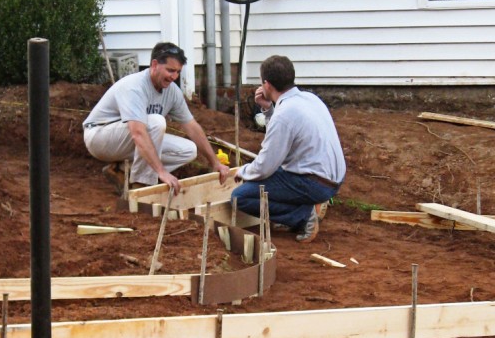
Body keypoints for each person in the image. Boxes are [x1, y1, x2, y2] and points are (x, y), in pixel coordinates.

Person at [83, 41, 230, 195]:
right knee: (156, 122)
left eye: (178, 72)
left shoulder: (172, 91)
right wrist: (161, 171)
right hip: (100, 137)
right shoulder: (135, 87)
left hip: (125, 139)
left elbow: (191, 126)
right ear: (154, 64)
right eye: (170, 70)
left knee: (188, 150)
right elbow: (138, 133)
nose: (174, 76)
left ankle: (119, 170)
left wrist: (215, 163)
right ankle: (141, 185)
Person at [231, 55, 346, 242]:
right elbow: (280, 137)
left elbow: (265, 166)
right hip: (334, 178)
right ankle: (308, 206)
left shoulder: (284, 115)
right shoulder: (309, 98)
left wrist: (244, 171)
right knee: (275, 173)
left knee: (240, 197)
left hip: (315, 183)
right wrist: (268, 109)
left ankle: (303, 215)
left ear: (266, 85)